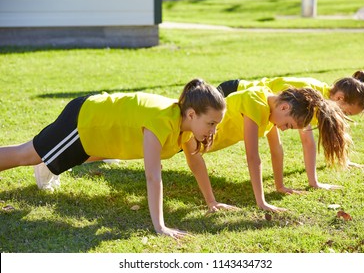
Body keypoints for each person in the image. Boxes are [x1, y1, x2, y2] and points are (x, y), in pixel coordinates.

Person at [0, 78, 229, 239]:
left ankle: (47, 165)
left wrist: (211, 202)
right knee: (26, 155)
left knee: (57, 156)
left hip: (102, 133)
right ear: (191, 114)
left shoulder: (183, 124)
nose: (213, 130)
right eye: (211, 123)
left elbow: (196, 161)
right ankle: (45, 163)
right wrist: (160, 226)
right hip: (86, 120)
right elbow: (152, 176)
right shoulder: (162, 121)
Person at [183, 86, 352, 212]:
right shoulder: (255, 103)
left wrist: (280, 186)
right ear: (284, 107)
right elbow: (253, 157)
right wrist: (261, 202)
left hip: (203, 142)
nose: (284, 129)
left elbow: (276, 148)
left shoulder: (271, 106)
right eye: (288, 124)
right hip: (192, 136)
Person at [217, 71, 364, 194]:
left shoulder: (322, 106)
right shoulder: (309, 93)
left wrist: (314, 182)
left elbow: (308, 142)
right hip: (232, 92)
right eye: (347, 113)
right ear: (339, 98)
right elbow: (294, 136)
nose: (344, 117)